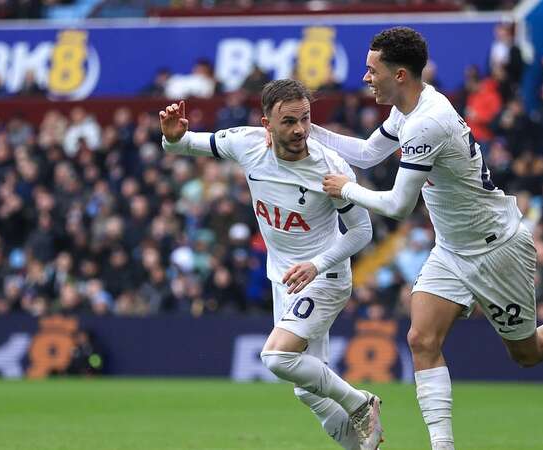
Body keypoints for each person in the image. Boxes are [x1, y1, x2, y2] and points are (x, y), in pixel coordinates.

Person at [313, 26, 543, 450]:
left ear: (401, 75)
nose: (365, 78)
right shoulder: (408, 110)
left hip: (496, 249)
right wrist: (307, 130)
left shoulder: (428, 123)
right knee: (420, 339)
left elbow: (397, 205)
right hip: (452, 250)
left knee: (527, 352)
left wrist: (345, 189)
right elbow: (367, 153)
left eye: (372, 70)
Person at [159, 79, 383, 450]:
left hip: (324, 275)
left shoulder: (329, 168)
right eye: (288, 122)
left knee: (277, 356)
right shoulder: (246, 144)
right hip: (284, 279)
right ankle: (363, 446)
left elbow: (362, 232)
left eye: (305, 119)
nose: (299, 130)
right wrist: (171, 138)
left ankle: (360, 402)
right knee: (306, 389)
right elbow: (185, 143)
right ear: (266, 124)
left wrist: (315, 264)